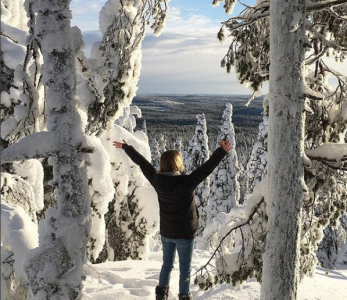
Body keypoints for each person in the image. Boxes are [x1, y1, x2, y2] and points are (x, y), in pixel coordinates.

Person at [113, 138, 232, 300]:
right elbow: (206, 169)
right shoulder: (187, 182)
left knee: (166, 265)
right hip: (185, 234)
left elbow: (143, 163)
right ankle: (184, 296)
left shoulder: (157, 180)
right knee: (185, 268)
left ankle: (161, 295)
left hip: (167, 233)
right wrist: (222, 151)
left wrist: (127, 148)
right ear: (177, 163)